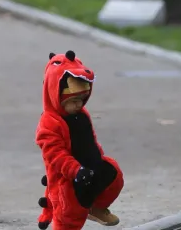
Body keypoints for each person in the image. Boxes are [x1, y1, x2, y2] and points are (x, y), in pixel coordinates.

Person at [35, 50, 124, 229]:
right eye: (74, 100)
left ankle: (96, 208)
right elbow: (55, 154)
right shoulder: (49, 122)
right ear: (56, 93)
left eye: (82, 99)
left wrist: (97, 156)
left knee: (114, 175)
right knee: (69, 216)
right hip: (68, 177)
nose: (79, 104)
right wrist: (75, 170)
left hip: (89, 168)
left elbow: (90, 139)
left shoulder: (81, 113)